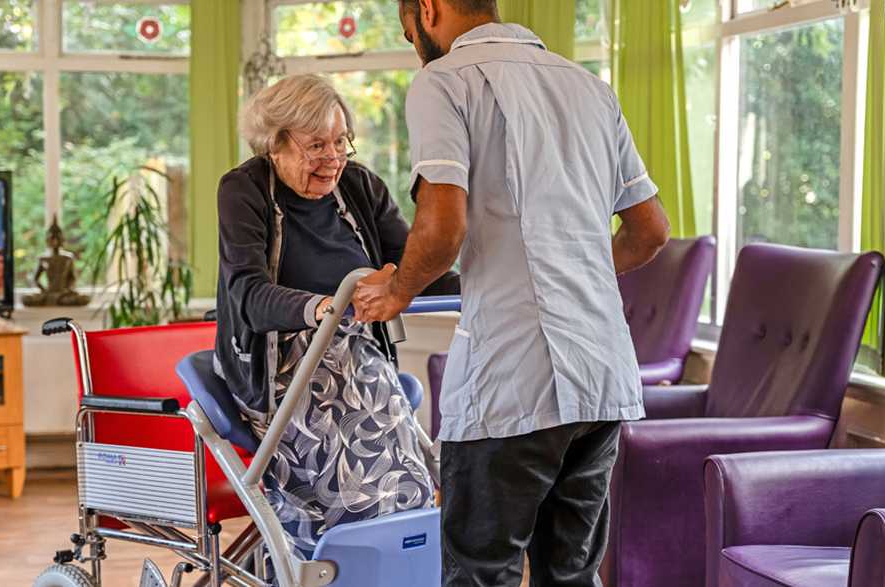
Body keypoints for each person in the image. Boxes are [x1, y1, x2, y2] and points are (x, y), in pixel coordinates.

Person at [352, 1, 672, 585]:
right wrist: (572, 272)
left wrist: (397, 291)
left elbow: (444, 227)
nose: (414, 46)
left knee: (481, 572)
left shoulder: (443, 81)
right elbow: (651, 231)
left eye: (408, 34)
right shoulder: (589, 88)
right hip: (602, 375)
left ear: (429, 9)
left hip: (511, 381)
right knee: (569, 575)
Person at [215, 74, 459, 561]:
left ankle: (391, 557)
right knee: (361, 485)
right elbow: (246, 292)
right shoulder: (243, 190)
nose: (333, 156)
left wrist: (487, 284)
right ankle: (340, 561)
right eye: (316, 145)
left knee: (409, 472)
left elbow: (416, 268)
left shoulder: (359, 185)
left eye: (341, 141)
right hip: (279, 367)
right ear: (276, 144)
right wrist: (323, 308)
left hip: (358, 359)